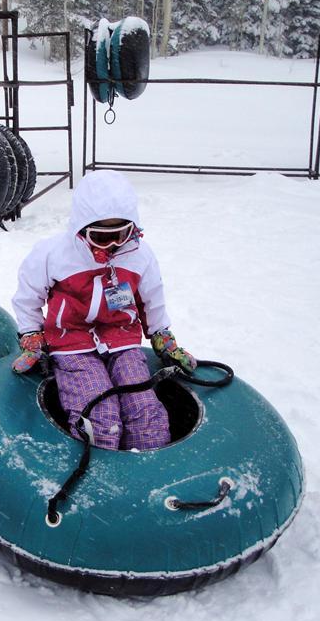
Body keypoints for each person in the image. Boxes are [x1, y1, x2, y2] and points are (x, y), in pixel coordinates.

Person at [11, 169, 196, 451]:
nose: (112, 245)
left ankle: (145, 473)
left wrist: (162, 335)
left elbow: (152, 299)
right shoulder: (55, 254)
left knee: (145, 410)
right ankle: (97, 472)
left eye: (120, 234)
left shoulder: (138, 255)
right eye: (101, 236)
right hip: (71, 342)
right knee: (100, 414)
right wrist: (32, 334)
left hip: (122, 340)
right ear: (82, 227)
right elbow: (28, 295)